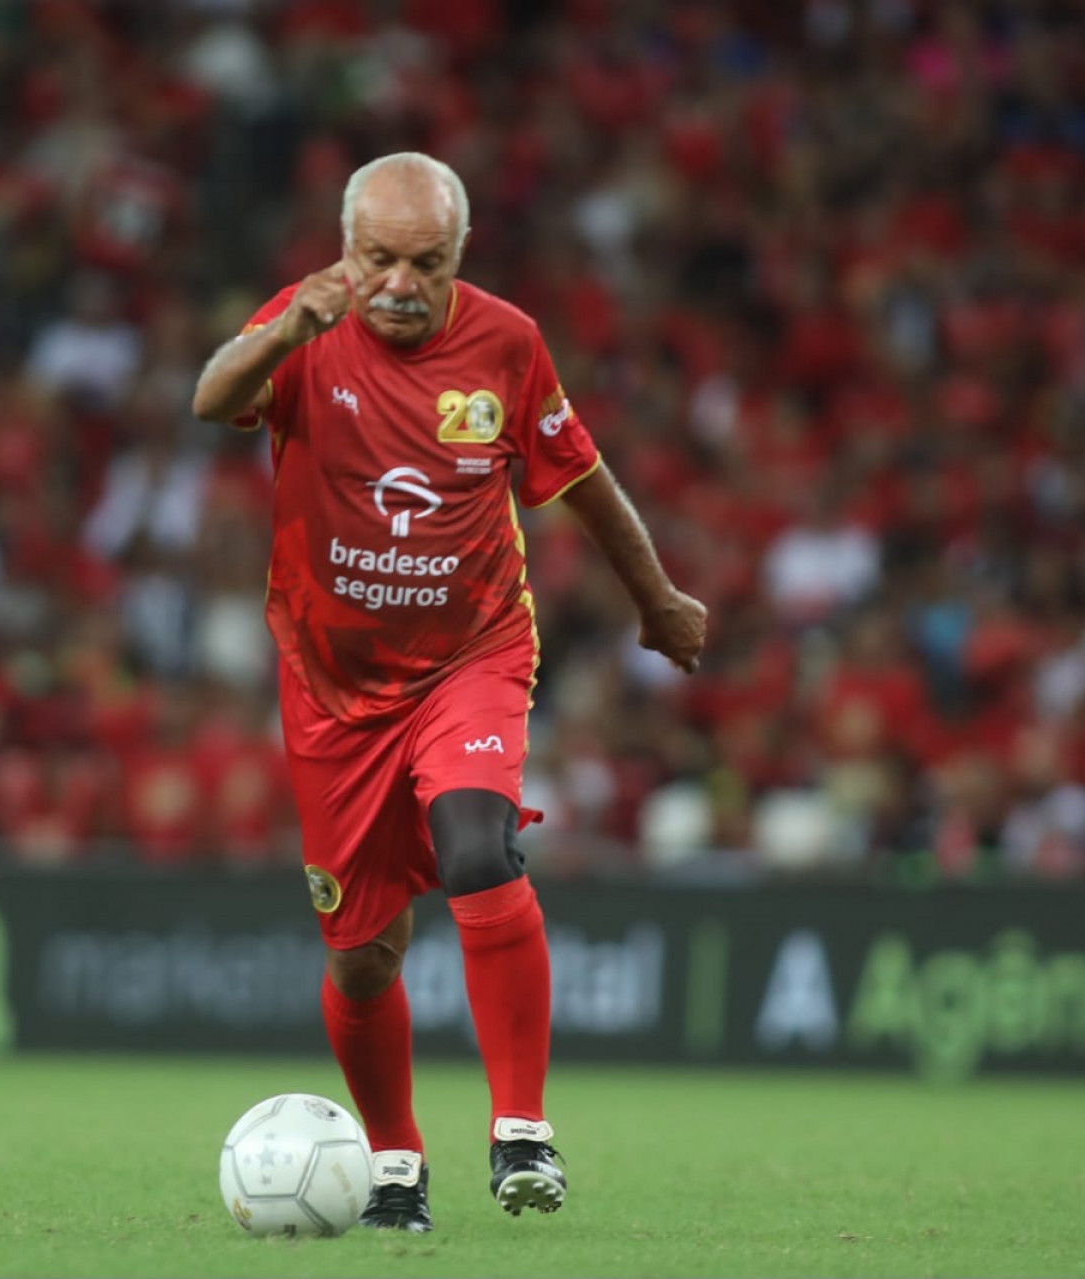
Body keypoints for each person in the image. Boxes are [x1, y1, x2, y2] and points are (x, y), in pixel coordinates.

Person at [192, 152, 707, 1232]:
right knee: (363, 956)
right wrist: (283, 334)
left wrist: (656, 598)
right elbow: (211, 399)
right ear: (347, 249)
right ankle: (395, 1164)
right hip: (333, 691)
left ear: (459, 254)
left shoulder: (507, 343)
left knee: (478, 843)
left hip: (469, 655)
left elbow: (582, 477)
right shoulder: (304, 321)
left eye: (426, 262)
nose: (399, 283)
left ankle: (522, 1130)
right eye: (378, 258)